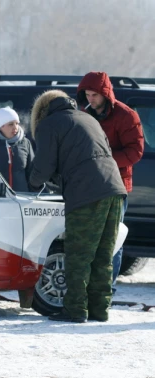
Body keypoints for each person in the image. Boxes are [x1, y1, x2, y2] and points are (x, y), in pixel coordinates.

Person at [29, 90, 126, 323]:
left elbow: (43, 166)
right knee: (103, 255)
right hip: (114, 188)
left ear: (42, 111)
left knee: (79, 254)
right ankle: (99, 309)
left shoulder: (50, 124)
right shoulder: (88, 118)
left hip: (86, 193)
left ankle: (75, 309)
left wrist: (30, 181)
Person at [77, 72, 144, 283]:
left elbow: (135, 152)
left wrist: (104, 160)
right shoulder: (83, 114)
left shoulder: (126, 116)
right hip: (87, 186)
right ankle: (87, 287)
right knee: (86, 240)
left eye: (94, 95)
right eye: (87, 95)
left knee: (112, 241)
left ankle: (107, 288)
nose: (90, 99)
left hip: (115, 187)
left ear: (105, 94)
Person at [0, 107, 35, 192]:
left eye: (17, 123)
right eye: (11, 124)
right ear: (0, 126)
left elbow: (32, 173)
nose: (15, 127)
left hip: (21, 198)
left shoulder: (25, 143)